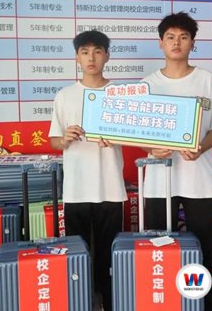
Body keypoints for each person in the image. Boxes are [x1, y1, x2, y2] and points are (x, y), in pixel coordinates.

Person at [142, 12, 212, 311]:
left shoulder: (206, 81)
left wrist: (201, 148)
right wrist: (152, 148)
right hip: (159, 182)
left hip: (199, 180)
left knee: (205, 250)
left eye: (183, 37)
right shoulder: (147, 85)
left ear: (193, 43)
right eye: (170, 37)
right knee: (159, 250)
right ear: (160, 43)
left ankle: (209, 305)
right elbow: (138, 133)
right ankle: (165, 304)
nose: (176, 42)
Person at [49, 30, 126, 311]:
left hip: (110, 187)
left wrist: (117, 136)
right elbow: (54, 140)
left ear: (107, 56)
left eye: (97, 51)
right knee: (77, 255)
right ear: (77, 58)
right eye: (85, 52)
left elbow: (135, 135)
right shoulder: (65, 95)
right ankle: (80, 303)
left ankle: (110, 303)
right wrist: (65, 139)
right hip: (76, 189)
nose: (91, 58)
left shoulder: (120, 94)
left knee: (109, 255)